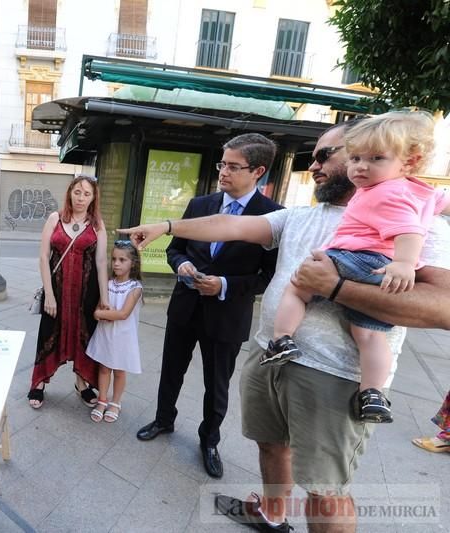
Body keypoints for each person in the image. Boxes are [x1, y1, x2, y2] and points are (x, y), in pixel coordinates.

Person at [119, 121, 450, 532]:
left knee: (325, 491)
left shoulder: (419, 223)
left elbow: (444, 308)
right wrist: (167, 227)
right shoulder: (298, 216)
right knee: (271, 445)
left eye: (326, 154)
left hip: (335, 376)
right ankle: (273, 514)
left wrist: (337, 286)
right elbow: (231, 225)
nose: (315, 164)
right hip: (271, 355)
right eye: (315, 155)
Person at [265, 112, 450, 425]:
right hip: (381, 271)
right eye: (355, 158)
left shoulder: (382, 192)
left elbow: (406, 229)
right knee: (368, 335)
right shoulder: (423, 192)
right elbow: (441, 204)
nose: (361, 166)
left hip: (355, 259)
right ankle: (373, 393)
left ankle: (282, 339)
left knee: (297, 287)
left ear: (409, 162)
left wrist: (405, 263)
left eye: (376, 158)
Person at [135, 133, 283, 480]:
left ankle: (209, 441)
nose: (223, 172)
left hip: (228, 315)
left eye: (234, 166)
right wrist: (181, 264)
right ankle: (163, 419)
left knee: (217, 383)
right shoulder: (200, 205)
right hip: (185, 306)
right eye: (222, 164)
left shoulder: (273, 217)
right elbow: (176, 249)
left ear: (258, 171)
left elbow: (269, 275)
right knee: (172, 369)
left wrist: (225, 285)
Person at [28, 174, 109, 409]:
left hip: (86, 295)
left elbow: (101, 262)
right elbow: (43, 257)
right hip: (57, 291)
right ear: (69, 193)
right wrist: (49, 295)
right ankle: (39, 382)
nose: (81, 198)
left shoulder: (97, 224)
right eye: (77, 192)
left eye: (86, 194)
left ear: (93, 198)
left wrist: (104, 298)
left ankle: (81, 383)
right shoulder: (55, 218)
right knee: (48, 333)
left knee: (86, 336)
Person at [86, 240, 143, 424]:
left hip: (123, 336)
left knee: (119, 370)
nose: (116, 263)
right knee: (104, 368)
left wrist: (104, 314)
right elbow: (96, 312)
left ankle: (115, 402)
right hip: (105, 335)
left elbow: (123, 314)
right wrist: (102, 314)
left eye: (122, 260)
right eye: (114, 259)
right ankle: (102, 400)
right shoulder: (108, 284)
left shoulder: (135, 288)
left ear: (132, 263)